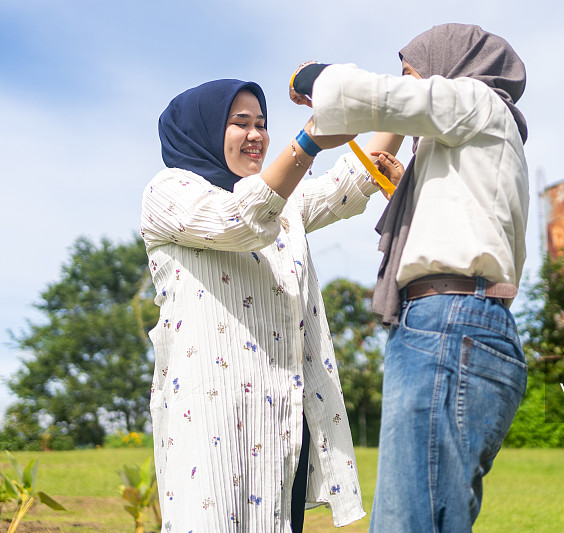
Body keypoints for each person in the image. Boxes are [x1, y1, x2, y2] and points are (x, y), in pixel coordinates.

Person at [289, 23, 530, 532]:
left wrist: (313, 76)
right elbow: (469, 218)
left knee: (407, 523)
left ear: (451, 65)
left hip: (447, 323)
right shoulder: (490, 143)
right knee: (428, 517)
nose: (411, 85)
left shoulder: (477, 101)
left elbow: (383, 98)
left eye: (414, 74)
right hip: (471, 324)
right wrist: (407, 187)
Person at [140, 78, 400, 532]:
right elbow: (240, 221)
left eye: (262, 123)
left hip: (282, 418)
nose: (257, 134)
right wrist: (308, 142)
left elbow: (353, 178)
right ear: (200, 130)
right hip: (210, 422)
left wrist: (402, 100)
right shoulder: (169, 193)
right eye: (240, 123)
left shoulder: (283, 199)